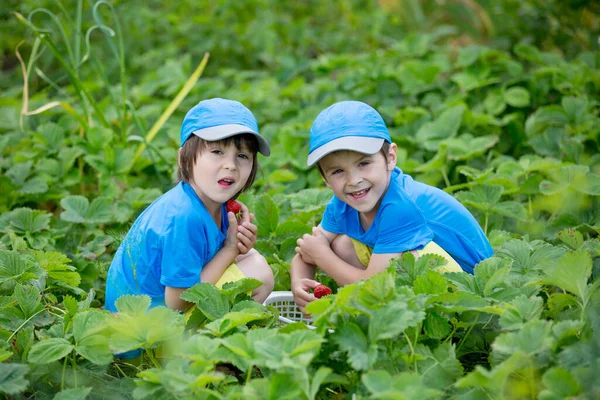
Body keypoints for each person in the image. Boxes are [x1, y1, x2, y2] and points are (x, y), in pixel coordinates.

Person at [291, 101, 493, 313]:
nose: (353, 180)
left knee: (407, 257)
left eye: (363, 164)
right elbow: (308, 249)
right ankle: (380, 314)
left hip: (472, 293)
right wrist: (299, 282)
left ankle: (424, 325)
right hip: (433, 282)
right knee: (341, 245)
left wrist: (322, 256)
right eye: (338, 171)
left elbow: (373, 286)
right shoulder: (342, 204)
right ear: (325, 178)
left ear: (390, 158)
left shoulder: (400, 206)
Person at [105, 98, 275, 318]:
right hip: (147, 331)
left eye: (242, 156)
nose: (231, 165)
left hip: (157, 315)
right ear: (183, 158)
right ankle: (203, 346)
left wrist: (237, 245)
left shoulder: (210, 203)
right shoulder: (184, 216)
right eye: (217, 152)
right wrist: (230, 249)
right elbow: (178, 300)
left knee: (250, 257)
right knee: (258, 273)